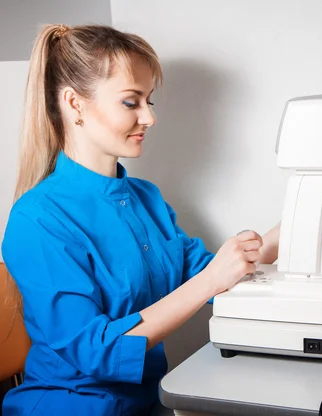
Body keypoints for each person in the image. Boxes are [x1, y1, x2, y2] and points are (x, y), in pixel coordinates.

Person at [1, 24, 280, 416]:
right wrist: (211, 280)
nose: (149, 118)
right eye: (131, 102)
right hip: (72, 407)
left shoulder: (145, 198)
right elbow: (96, 350)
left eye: (150, 101)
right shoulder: (37, 219)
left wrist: (301, 218)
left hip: (151, 402)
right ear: (75, 104)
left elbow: (218, 277)